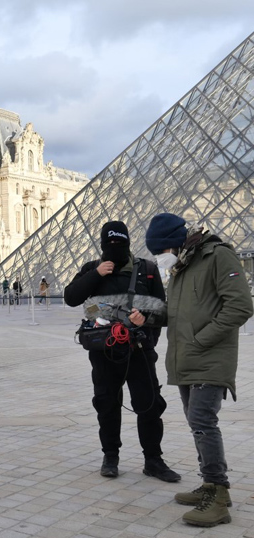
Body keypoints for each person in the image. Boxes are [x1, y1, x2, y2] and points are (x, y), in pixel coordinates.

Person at [145, 214, 254, 526]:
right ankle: (210, 485)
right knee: (197, 423)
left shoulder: (218, 256)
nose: (160, 256)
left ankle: (218, 495)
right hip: (187, 358)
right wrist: (149, 317)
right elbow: (177, 312)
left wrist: (200, 339)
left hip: (209, 357)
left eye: (161, 250)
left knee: (203, 422)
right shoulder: (183, 265)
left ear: (175, 243)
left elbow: (241, 306)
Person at [64, 221, 179, 483]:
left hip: (139, 350)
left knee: (149, 405)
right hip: (104, 352)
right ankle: (110, 456)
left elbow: (164, 311)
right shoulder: (92, 268)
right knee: (106, 404)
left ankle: (153, 460)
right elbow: (71, 297)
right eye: (110, 243)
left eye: (119, 243)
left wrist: (145, 318)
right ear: (102, 245)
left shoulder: (147, 269)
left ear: (127, 243)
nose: (114, 247)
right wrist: (96, 274)